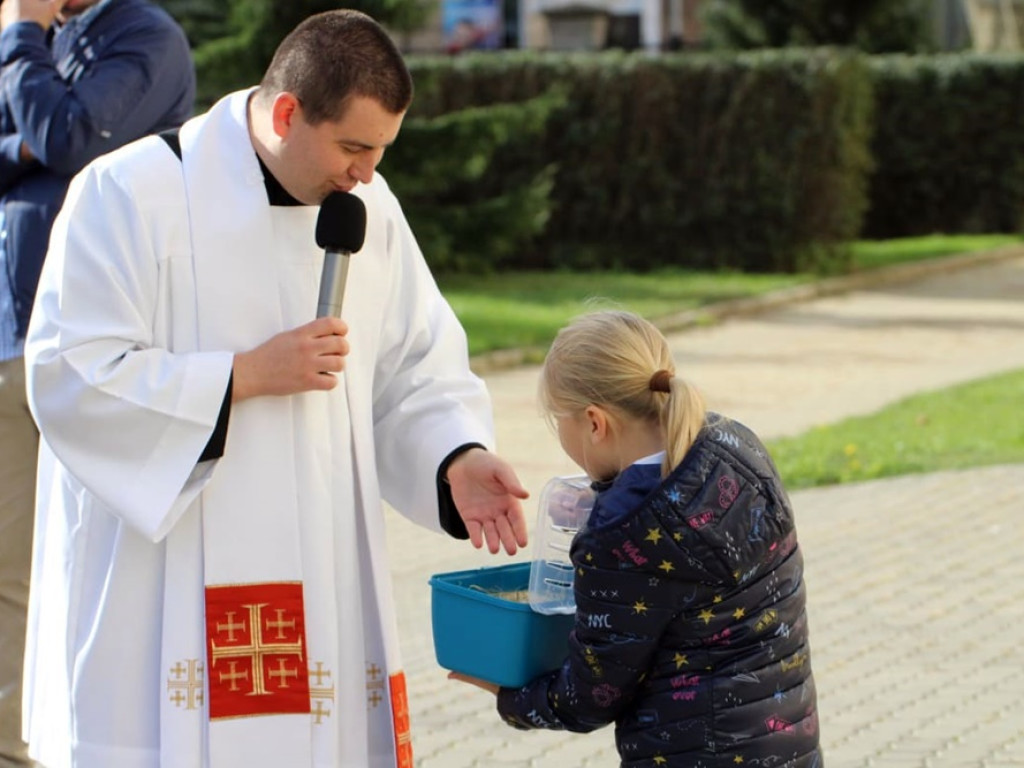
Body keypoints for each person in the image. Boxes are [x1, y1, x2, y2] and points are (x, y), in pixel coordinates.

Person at [23, 9, 528, 768]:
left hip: (321, 567)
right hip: (160, 583)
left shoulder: (370, 210)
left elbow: (413, 367)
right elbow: (71, 373)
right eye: (353, 148)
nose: (366, 174)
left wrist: (454, 456)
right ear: (287, 113)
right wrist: (243, 376)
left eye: (380, 151)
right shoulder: (129, 193)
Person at [452, 310, 822, 767]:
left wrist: (513, 696)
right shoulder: (735, 446)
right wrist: (605, 495)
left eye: (558, 421)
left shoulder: (618, 536)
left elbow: (592, 696)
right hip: (788, 745)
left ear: (594, 422)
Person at [0, 1, 195, 765]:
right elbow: (40, 141)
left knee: (97, 563)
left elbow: (74, 140)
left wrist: (20, 37)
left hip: (105, 359)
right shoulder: (47, 42)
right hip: (15, 343)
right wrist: (28, 135)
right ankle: (13, 748)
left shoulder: (145, 36)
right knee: (9, 564)